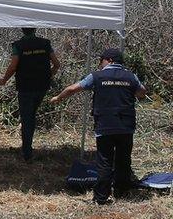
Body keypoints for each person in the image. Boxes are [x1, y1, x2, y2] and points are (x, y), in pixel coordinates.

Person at [50, 48, 147, 205]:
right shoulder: (130, 76)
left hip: (105, 125)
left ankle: (101, 197)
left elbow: (73, 88)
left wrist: (58, 98)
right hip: (126, 125)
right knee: (123, 159)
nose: (100, 63)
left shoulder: (96, 76)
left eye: (101, 60)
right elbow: (142, 92)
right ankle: (122, 192)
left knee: (104, 160)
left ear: (108, 60)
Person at [0, 28, 61, 161]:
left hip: (26, 87)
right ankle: (27, 148)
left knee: (27, 118)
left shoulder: (18, 45)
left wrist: (4, 80)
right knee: (31, 115)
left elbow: (13, 66)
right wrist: (48, 76)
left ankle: (27, 152)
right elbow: (56, 64)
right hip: (42, 86)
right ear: (35, 30)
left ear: (22, 30)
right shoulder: (45, 43)